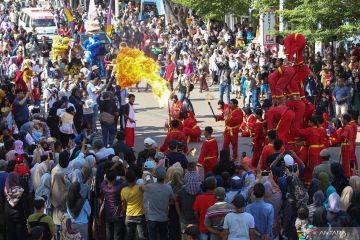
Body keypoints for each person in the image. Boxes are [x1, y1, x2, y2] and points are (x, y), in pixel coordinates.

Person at [143, 167, 175, 240]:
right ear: (164, 176)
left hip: (151, 218)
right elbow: (172, 201)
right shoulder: (168, 188)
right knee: (163, 237)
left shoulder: (149, 187)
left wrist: (148, 177)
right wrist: (166, 203)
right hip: (163, 218)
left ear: (155, 177)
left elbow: (142, 186)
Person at [175, 162, 201, 238]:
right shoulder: (199, 190)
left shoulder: (182, 190)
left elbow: (176, 202)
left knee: (184, 236)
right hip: (195, 219)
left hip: (184, 218)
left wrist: (180, 215)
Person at [121, 169, 146, 240]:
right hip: (140, 215)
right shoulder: (140, 188)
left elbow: (124, 205)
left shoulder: (123, 190)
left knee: (129, 236)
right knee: (141, 236)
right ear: (135, 179)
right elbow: (148, 185)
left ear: (126, 179)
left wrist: (124, 213)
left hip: (129, 215)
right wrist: (147, 175)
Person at [101, 169, 125, 240]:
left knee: (109, 234)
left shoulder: (103, 186)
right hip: (118, 214)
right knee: (117, 235)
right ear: (115, 178)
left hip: (108, 213)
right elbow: (126, 182)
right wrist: (120, 177)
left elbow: (104, 179)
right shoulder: (118, 187)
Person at [4, 172, 29, 240]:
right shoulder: (21, 191)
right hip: (19, 216)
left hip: (8, 215)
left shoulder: (6, 190)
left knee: (11, 234)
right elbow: (25, 206)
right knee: (20, 235)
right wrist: (28, 216)